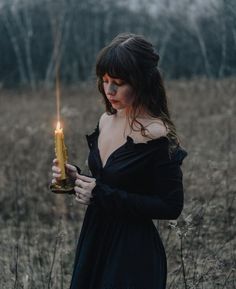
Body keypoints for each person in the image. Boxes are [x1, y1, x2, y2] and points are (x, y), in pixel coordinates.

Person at [51, 33, 188, 289]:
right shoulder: (106, 120)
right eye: (105, 81)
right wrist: (76, 179)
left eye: (119, 82)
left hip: (131, 252)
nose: (109, 90)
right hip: (95, 239)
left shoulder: (157, 134)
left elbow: (171, 206)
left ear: (141, 83)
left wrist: (100, 193)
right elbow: (109, 183)